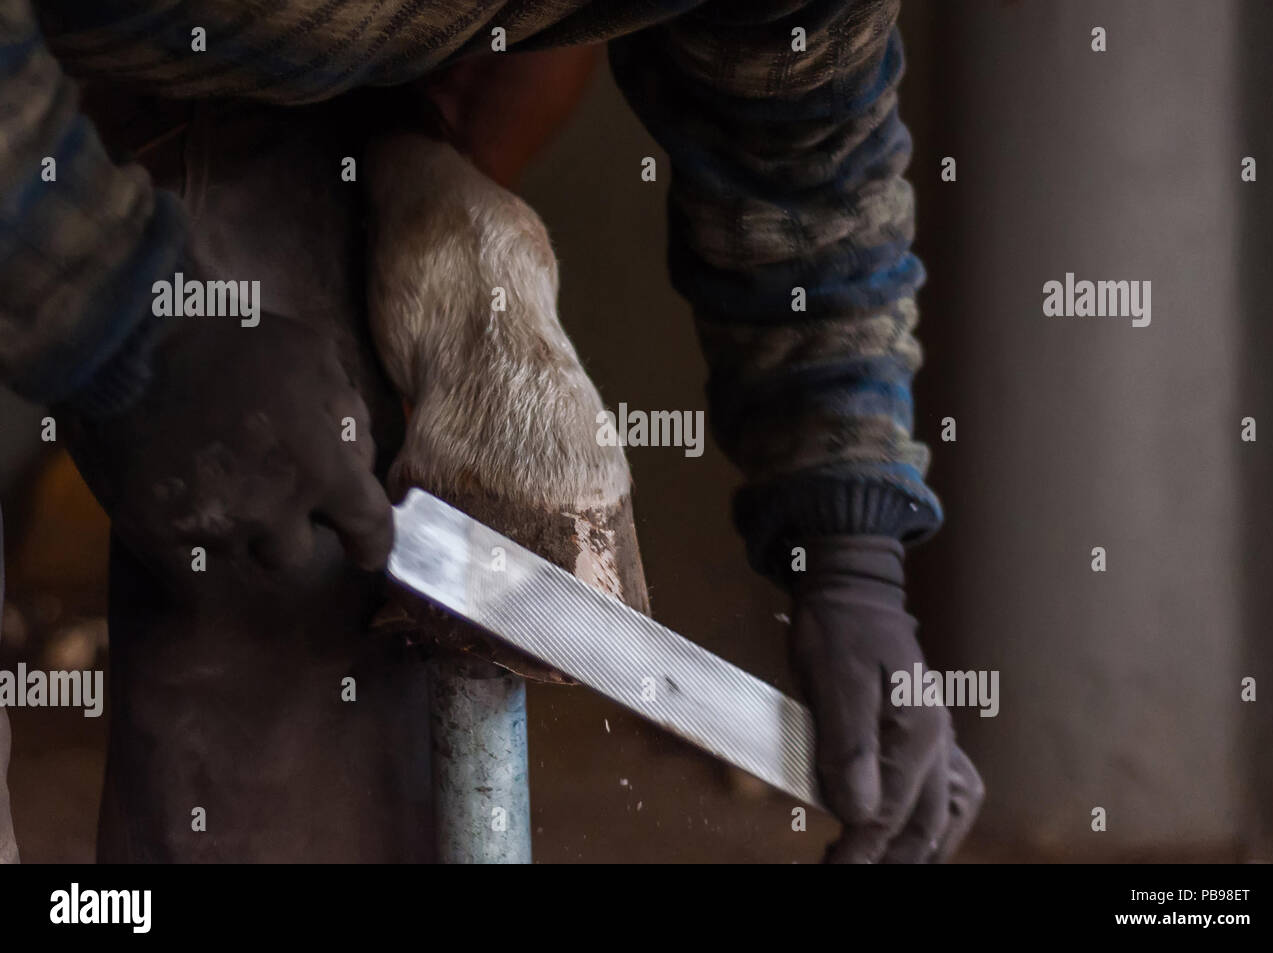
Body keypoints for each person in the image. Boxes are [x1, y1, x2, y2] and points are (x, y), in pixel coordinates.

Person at [0, 0, 981, 863]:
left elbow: (801, 148)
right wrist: (124, 322)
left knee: (296, 571)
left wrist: (851, 539)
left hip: (266, 95)